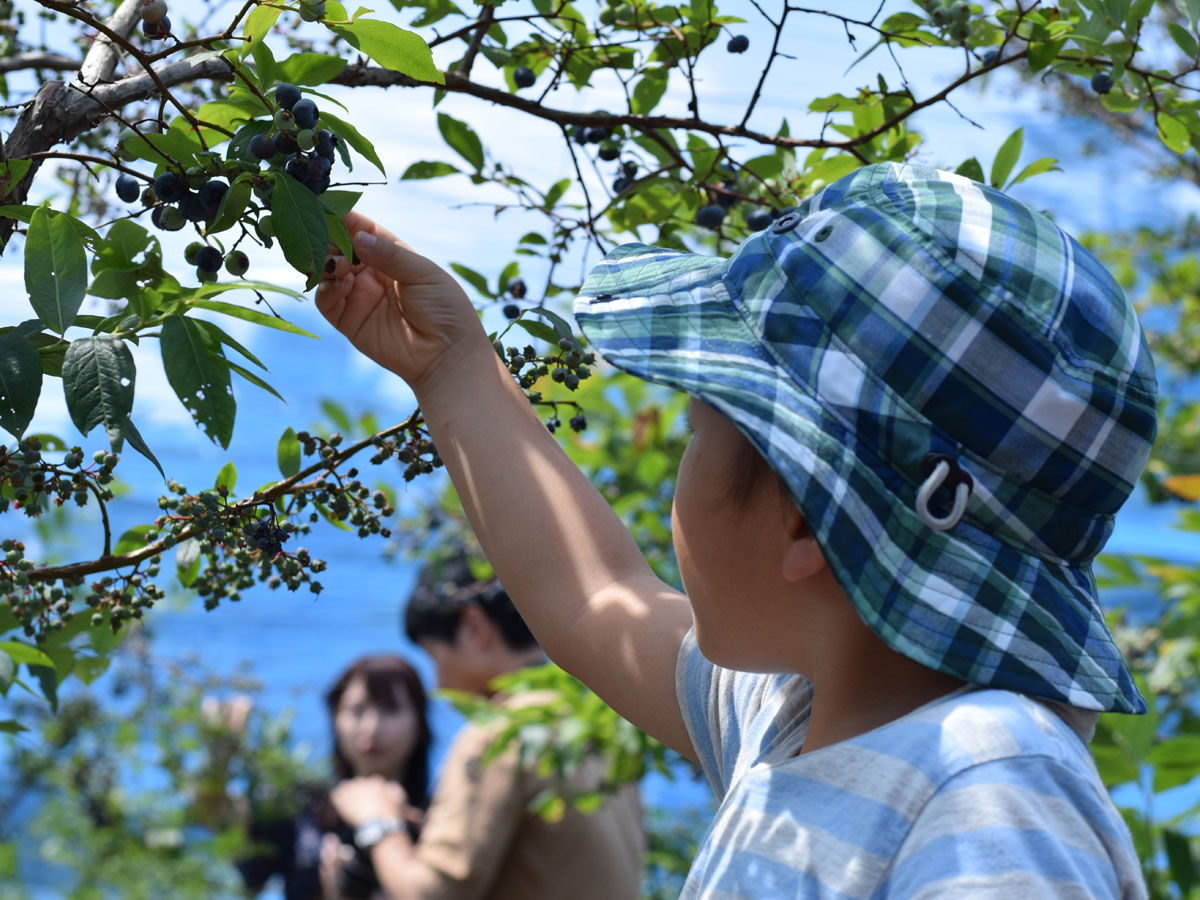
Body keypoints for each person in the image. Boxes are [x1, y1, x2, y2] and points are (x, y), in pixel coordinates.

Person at [315, 162, 1155, 897]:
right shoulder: (796, 720)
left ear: (800, 515)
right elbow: (594, 594)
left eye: (696, 435)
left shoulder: (992, 786)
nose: (685, 459)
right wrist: (452, 366)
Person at [325, 553, 645, 900]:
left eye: (434, 657)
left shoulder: (499, 734)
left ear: (475, 627)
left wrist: (379, 821)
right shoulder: (590, 721)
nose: (438, 682)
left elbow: (430, 894)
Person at [205, 654, 432, 900]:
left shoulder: (440, 818)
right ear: (335, 717)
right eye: (357, 711)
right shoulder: (303, 805)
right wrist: (218, 762)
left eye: (390, 710)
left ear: (419, 722)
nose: (371, 727)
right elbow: (219, 828)